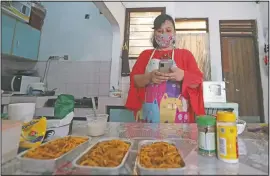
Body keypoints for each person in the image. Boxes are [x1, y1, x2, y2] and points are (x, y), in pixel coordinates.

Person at [125, 14, 205, 123]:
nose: (164, 34)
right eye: (159, 31)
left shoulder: (185, 55)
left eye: (168, 30)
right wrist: (149, 77)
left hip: (179, 121)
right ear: (154, 34)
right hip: (148, 119)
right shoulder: (145, 55)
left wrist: (183, 75)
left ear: (174, 32)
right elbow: (135, 80)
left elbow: (197, 81)